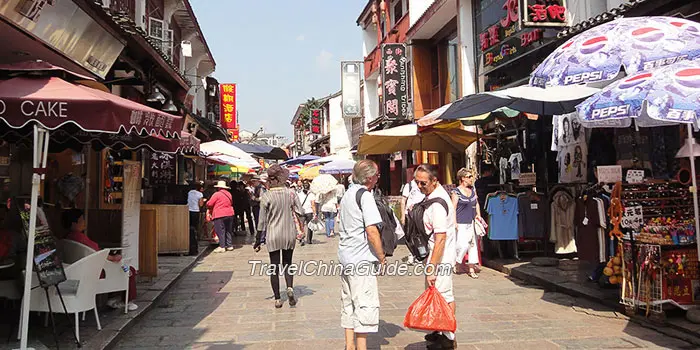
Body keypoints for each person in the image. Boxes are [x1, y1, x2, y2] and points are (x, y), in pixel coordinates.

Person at [337, 160, 386, 350]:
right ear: (369, 177)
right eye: (377, 176)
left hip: (346, 256)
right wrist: (381, 257)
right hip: (361, 258)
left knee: (348, 303)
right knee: (364, 304)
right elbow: (372, 230)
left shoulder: (348, 194)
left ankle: (350, 345)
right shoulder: (365, 196)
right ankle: (362, 347)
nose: (377, 179)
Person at [414, 164, 457, 349]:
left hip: (441, 258)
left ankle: (448, 337)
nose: (419, 186)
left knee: (444, 295)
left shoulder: (438, 205)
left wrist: (432, 268)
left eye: (423, 183)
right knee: (435, 294)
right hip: (435, 256)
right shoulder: (432, 197)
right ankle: (439, 331)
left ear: (434, 181)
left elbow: (440, 239)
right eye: (417, 182)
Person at [62, 209, 138, 311]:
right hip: (96, 272)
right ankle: (126, 301)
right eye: (82, 220)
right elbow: (97, 254)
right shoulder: (81, 238)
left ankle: (115, 297)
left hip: (78, 271)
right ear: (74, 223)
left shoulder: (67, 238)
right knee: (128, 270)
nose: (84, 222)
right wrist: (113, 258)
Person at [253, 165, 303, 308]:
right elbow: (300, 211)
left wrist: (257, 240)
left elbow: (261, 221)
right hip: (289, 234)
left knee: (274, 266)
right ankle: (290, 288)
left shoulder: (266, 196)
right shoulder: (291, 193)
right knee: (288, 263)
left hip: (273, 235)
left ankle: (277, 298)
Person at [451, 168, 482, 278]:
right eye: (469, 176)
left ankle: (471, 268)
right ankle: (457, 262)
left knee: (472, 245)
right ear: (463, 178)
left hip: (471, 221)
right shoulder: (456, 192)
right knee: (462, 245)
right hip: (461, 222)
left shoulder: (473, 189)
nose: (471, 179)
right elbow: (453, 208)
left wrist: (478, 215)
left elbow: (476, 202)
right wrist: (454, 222)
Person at [400, 167, 425, 265]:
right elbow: (403, 201)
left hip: (421, 214)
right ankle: (412, 255)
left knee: (421, 236)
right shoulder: (409, 185)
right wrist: (402, 216)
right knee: (410, 236)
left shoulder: (425, 185)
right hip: (409, 214)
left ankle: (421, 255)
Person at [206, 181, 235, 253]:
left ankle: (222, 246)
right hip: (230, 213)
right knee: (228, 230)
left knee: (220, 230)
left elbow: (210, 203)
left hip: (220, 214)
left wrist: (206, 203)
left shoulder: (217, 194)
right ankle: (229, 245)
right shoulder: (229, 194)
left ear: (218, 187)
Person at [187, 183, 205, 256]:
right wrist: (203, 201)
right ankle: (194, 243)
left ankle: (189, 242)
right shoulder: (200, 194)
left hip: (188, 210)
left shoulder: (190, 192)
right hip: (195, 212)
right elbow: (200, 204)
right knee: (195, 228)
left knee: (189, 228)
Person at [297, 181, 316, 245]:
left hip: (301, 212)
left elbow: (297, 203)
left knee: (301, 226)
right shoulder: (312, 195)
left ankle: (301, 239)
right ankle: (309, 240)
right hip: (309, 212)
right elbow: (313, 205)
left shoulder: (299, 194)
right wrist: (315, 213)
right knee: (310, 226)